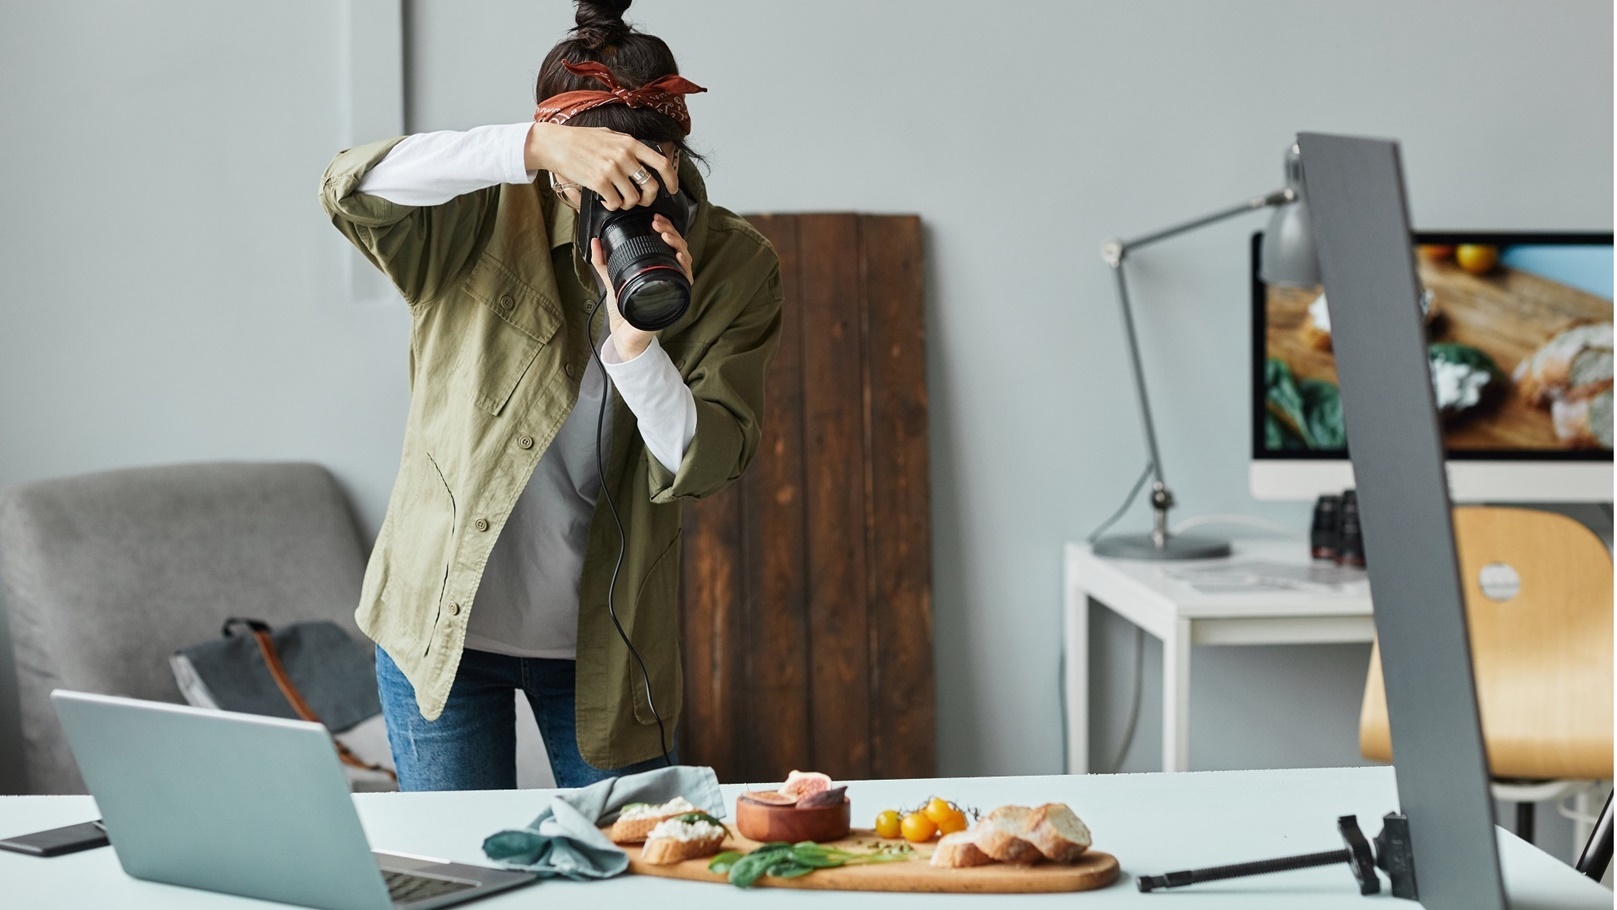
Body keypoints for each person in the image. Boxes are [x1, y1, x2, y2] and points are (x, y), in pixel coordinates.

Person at [319, 0, 782, 790]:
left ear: (676, 154)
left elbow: (711, 459)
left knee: (634, 876)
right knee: (457, 874)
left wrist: (638, 347)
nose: (612, 198)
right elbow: (350, 188)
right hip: (440, 631)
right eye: (588, 177)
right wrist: (529, 146)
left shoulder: (734, 265)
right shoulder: (479, 216)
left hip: (607, 648)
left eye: (643, 169)